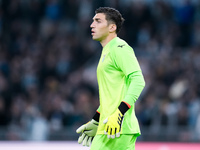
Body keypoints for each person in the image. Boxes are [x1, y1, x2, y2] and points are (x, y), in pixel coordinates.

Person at [76, 7, 145, 150]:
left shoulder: (119, 48)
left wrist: (119, 113)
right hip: (109, 127)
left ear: (112, 27)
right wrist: (96, 120)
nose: (92, 25)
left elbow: (138, 80)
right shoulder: (106, 51)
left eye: (98, 21)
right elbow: (111, 95)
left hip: (117, 129)